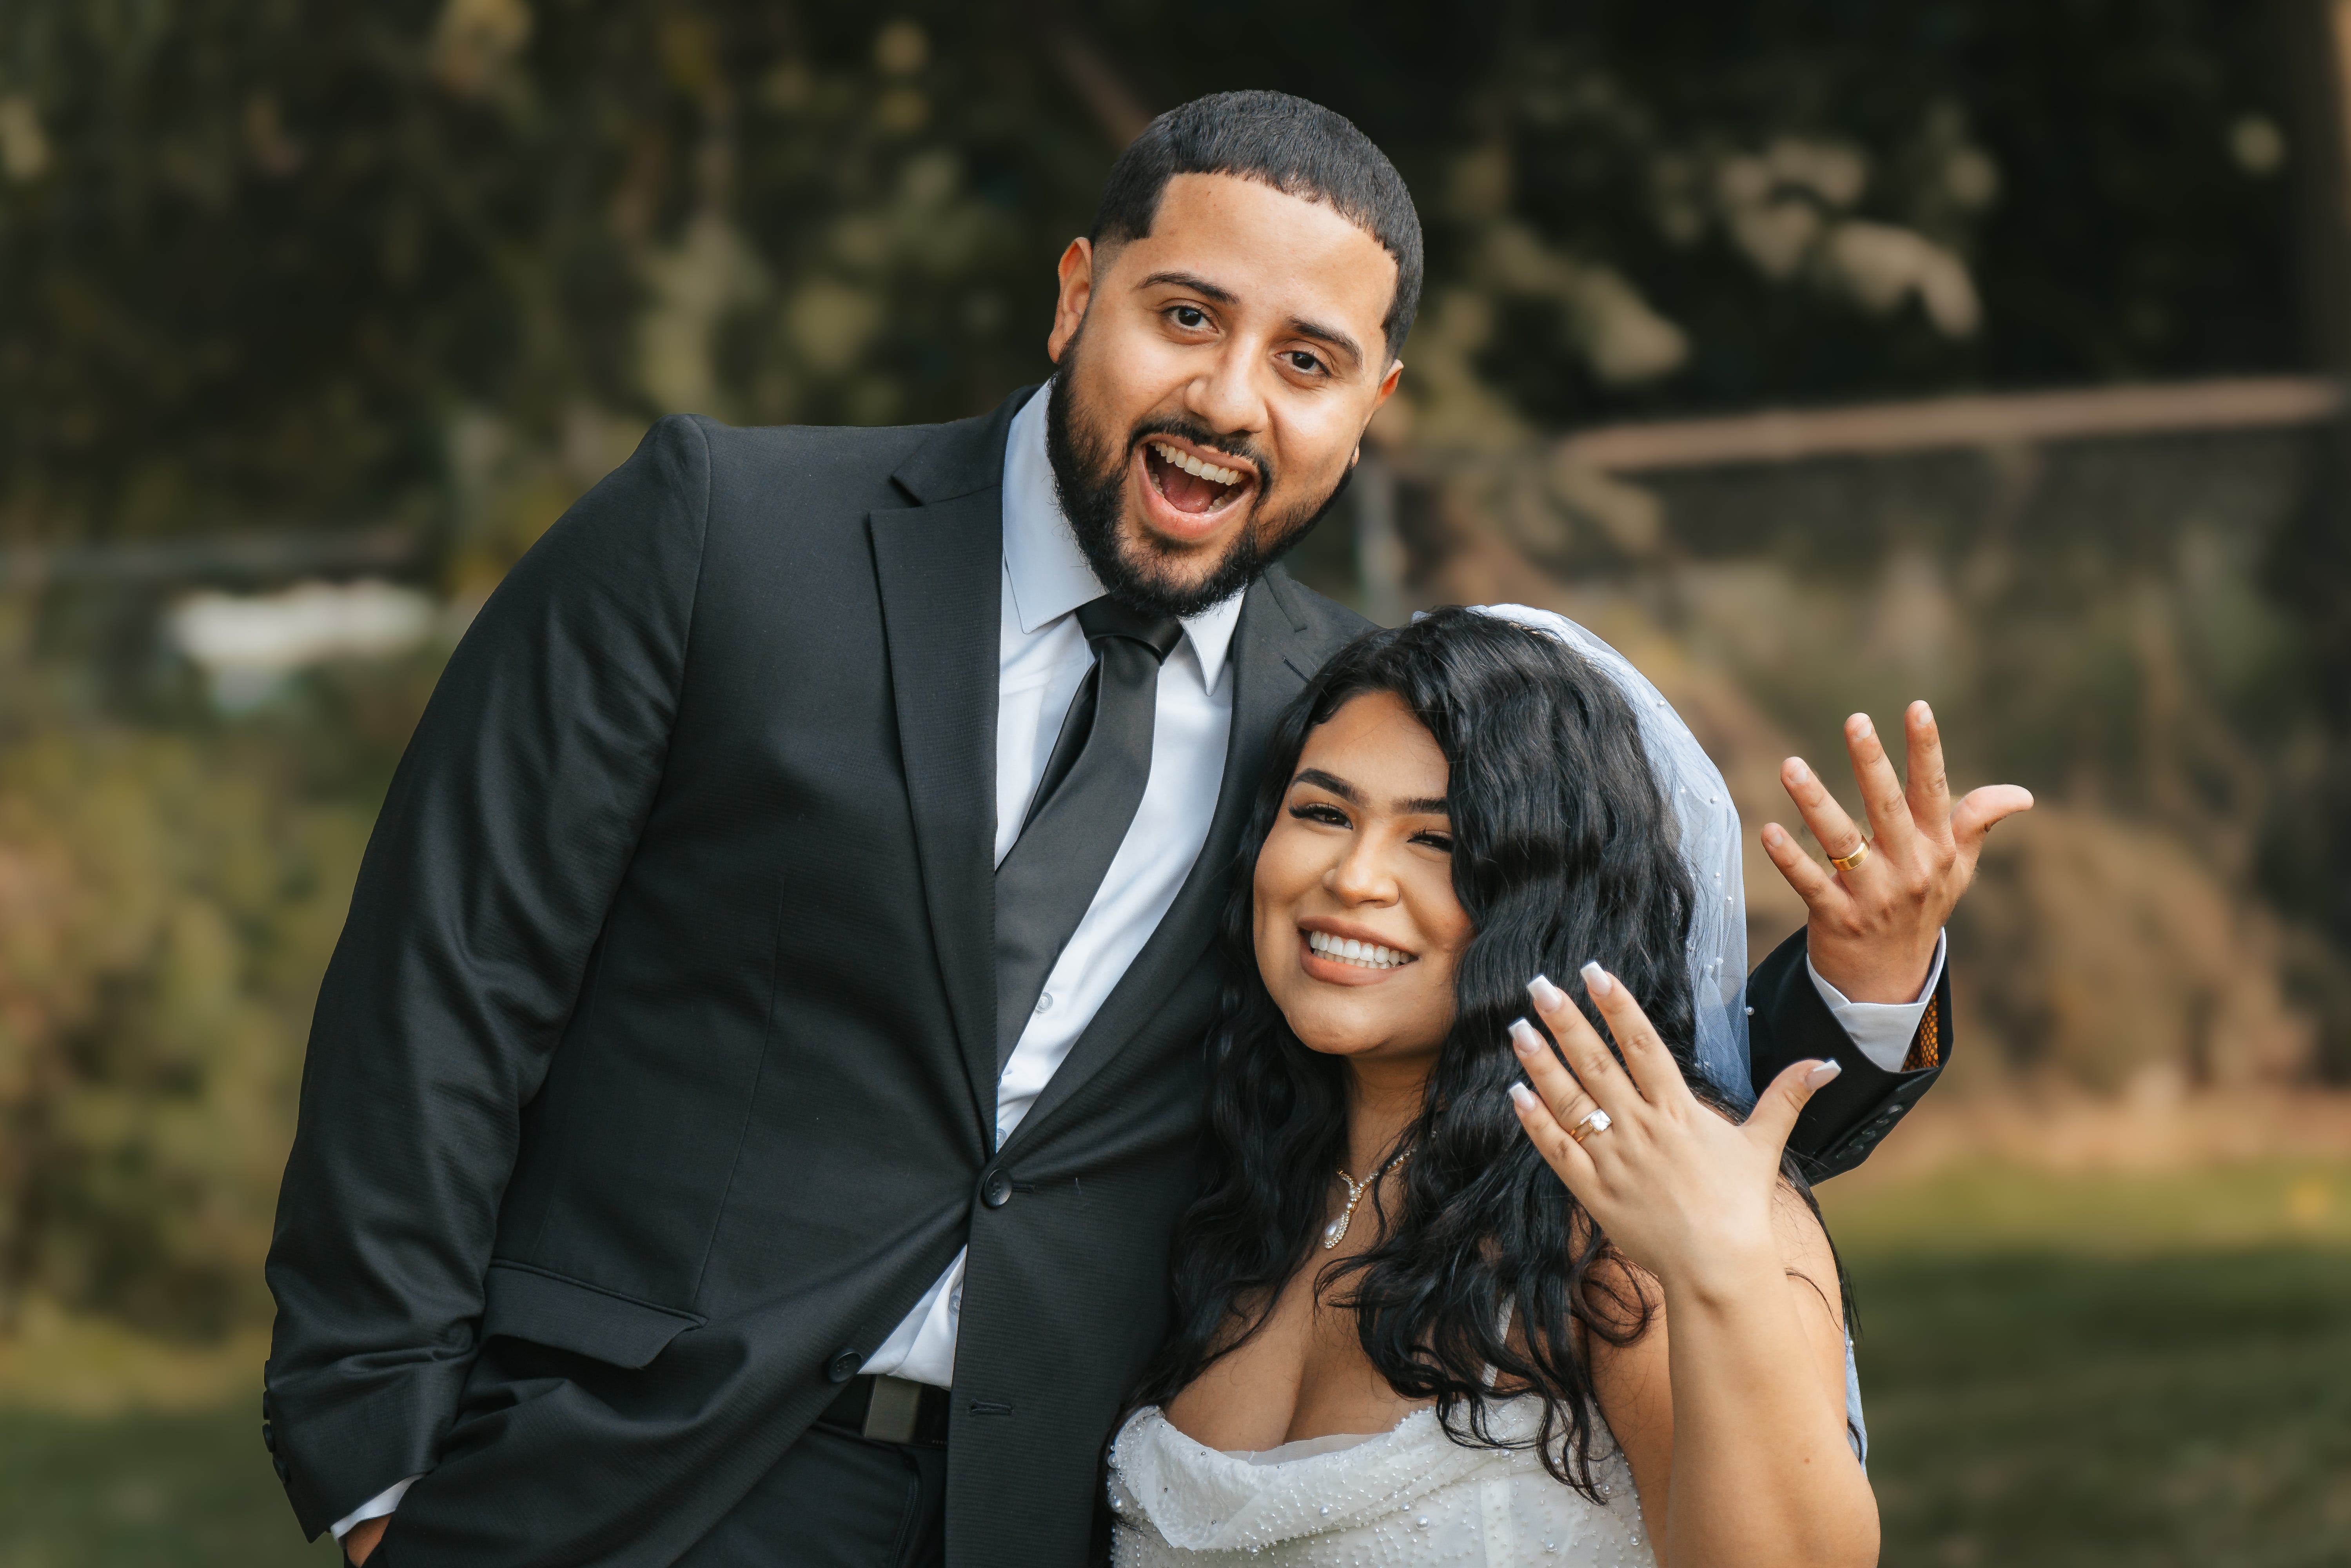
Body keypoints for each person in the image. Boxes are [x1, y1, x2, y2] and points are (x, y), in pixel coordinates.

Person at [262, 92, 2004, 1568]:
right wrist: (379, 1464)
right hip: (619, 1482)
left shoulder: (1349, 724)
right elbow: (444, 983)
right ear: (1075, 294)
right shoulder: (725, 534)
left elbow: (1564, 1026)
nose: (1232, 401)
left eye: (1307, 362)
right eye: (1186, 317)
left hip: (1040, 1513)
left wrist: (1860, 982)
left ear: (1373, 407)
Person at [1109, 607, 1977, 1564]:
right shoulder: (1227, 1191)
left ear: (1551, 903)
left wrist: (1724, 1270)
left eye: (1440, 840)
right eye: (1324, 813)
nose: (1355, 877)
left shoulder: (1648, 1216)